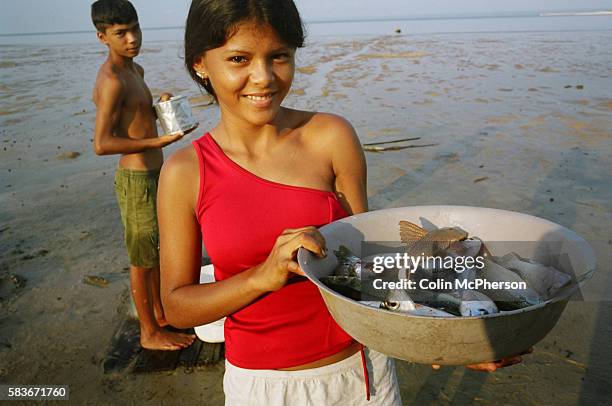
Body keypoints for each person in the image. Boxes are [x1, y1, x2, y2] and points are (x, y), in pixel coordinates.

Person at [158, 0, 527, 403]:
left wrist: (448, 336)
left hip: (362, 373)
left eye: (278, 56)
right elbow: (177, 307)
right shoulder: (186, 173)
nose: (262, 77)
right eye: (239, 59)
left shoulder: (331, 136)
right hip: (262, 386)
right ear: (200, 64)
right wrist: (262, 276)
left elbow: (371, 269)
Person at [91, 0, 196, 351]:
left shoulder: (135, 71)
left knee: (156, 250)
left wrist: (160, 107)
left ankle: (159, 314)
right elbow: (102, 143)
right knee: (142, 259)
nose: (132, 38)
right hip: (137, 180)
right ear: (102, 37)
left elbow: (136, 117)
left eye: (135, 28)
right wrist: (159, 140)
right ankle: (148, 332)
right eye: (121, 33)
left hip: (156, 173)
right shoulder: (111, 81)